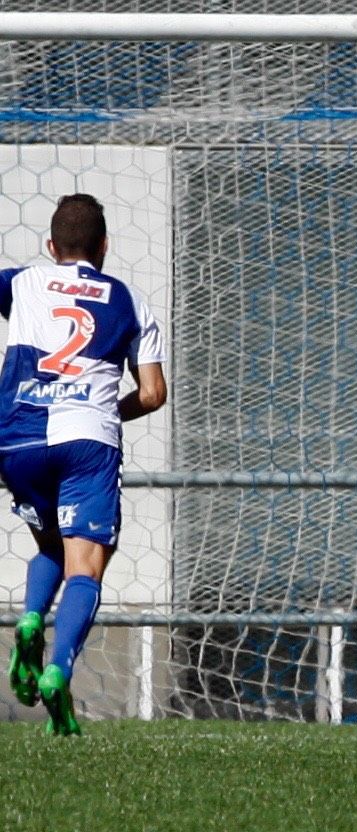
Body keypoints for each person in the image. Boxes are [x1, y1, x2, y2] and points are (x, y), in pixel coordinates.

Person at [0, 194, 167, 736]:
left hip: (17, 438)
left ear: (51, 247)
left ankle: (29, 618)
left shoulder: (24, 281)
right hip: (87, 439)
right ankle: (58, 670)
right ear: (104, 248)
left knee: (49, 541)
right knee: (87, 564)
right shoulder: (132, 300)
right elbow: (153, 393)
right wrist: (100, 411)